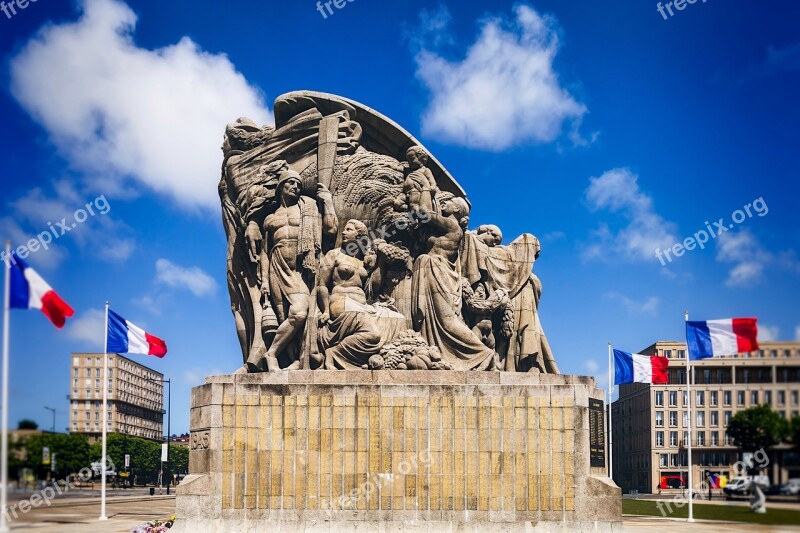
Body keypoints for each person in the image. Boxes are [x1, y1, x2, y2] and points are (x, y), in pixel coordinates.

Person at [247, 170, 338, 372]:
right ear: (281, 187)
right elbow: (264, 252)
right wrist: (263, 282)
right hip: (276, 268)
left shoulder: (309, 208)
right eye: (291, 183)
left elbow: (330, 231)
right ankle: (293, 361)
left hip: (301, 270)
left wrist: (328, 202)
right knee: (284, 317)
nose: (296, 187)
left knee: (298, 313)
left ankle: (270, 354)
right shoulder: (270, 219)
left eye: (298, 183)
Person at [410, 193, 495, 370]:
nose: (444, 205)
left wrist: (425, 188)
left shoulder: (451, 224)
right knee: (442, 320)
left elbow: (422, 212)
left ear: (456, 209)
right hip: (435, 269)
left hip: (438, 271)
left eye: (447, 203)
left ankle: (481, 353)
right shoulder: (448, 227)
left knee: (447, 321)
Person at [316, 220, 384, 369]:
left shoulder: (363, 260)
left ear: (359, 236)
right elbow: (321, 285)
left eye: (349, 230)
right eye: (344, 229)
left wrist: (380, 262)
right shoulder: (334, 254)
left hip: (362, 305)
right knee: (373, 334)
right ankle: (333, 353)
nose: (343, 232)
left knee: (395, 319)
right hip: (342, 301)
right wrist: (326, 310)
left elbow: (375, 287)